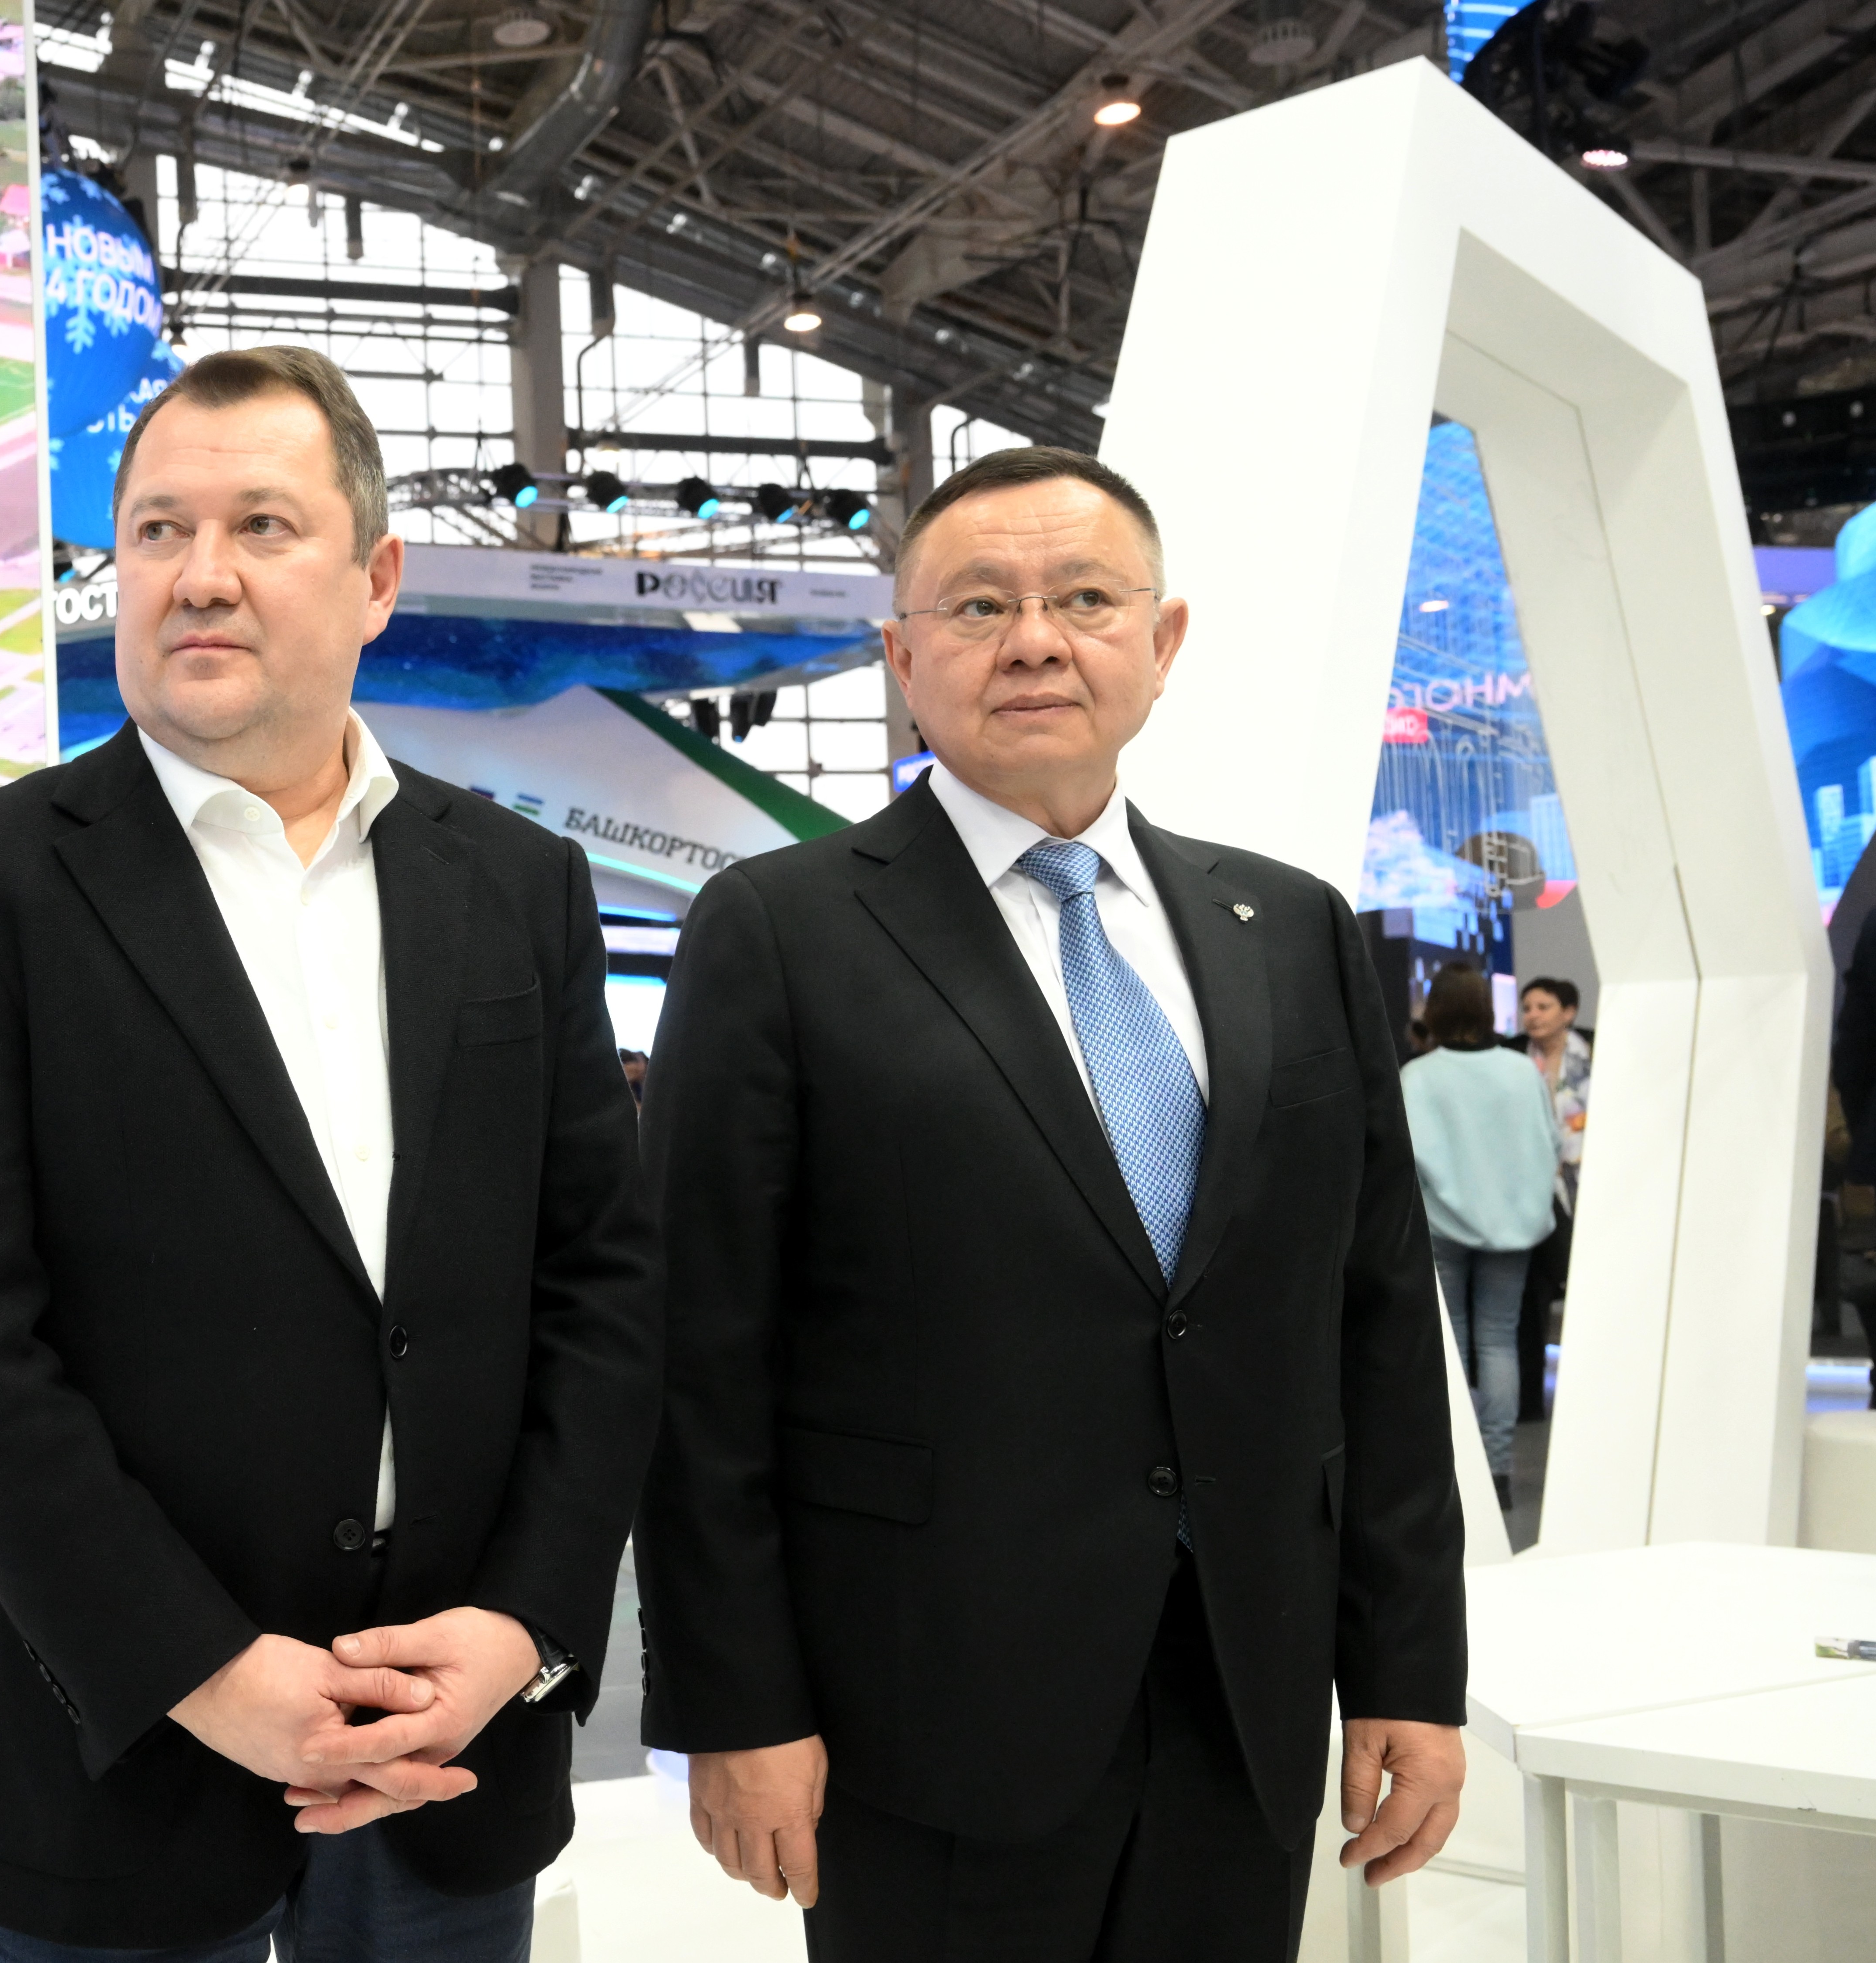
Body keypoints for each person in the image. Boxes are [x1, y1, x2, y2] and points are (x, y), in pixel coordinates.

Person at [0, 344, 662, 1962]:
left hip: (449, 1759)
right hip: (117, 1766)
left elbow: (604, 1289)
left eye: (261, 526)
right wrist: (206, 1675)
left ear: (376, 580)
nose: (200, 574)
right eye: (157, 531)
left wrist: (521, 1626)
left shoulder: (517, 887)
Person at [635, 445, 1468, 1962]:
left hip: (1242, 1689)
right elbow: (700, 1357)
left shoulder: (1289, 928)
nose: (1032, 640)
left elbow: (1375, 1324)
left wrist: (1407, 1666)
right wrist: (734, 1702)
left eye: (1084, 599)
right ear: (902, 658)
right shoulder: (781, 930)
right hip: (925, 1704)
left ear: (1161, 640)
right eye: (977, 606)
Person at [1406, 962, 1561, 1514]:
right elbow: (1549, 1143)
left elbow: (1404, 1160)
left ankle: (1457, 1469)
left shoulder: (1418, 1077)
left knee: (1447, 1345)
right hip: (1513, 1227)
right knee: (1500, 1341)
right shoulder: (1521, 1071)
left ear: (1434, 1010)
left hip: (1441, 1227)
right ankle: (1497, 1472)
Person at [1513, 975, 1591, 1421]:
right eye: (1527, 1008)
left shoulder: (1596, 1054)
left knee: (1587, 1292)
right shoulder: (1514, 1058)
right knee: (1531, 1300)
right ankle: (1529, 1401)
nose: (1532, 1016)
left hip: (1587, 1192)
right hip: (1533, 1192)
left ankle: (1589, 1393)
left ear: (1568, 1012)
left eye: (1543, 1007)